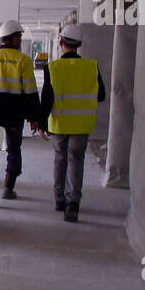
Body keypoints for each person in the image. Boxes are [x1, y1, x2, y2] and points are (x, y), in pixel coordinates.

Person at [39, 23, 106, 222]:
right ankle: (73, 204)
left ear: (60, 42)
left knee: (60, 159)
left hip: (59, 124)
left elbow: (47, 99)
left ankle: (59, 199)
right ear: (79, 44)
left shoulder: (52, 68)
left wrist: (42, 123)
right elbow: (100, 95)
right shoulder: (91, 67)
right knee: (76, 161)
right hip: (82, 124)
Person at [0, 20, 42, 207]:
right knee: (13, 149)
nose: (20, 39)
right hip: (13, 114)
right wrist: (34, 117)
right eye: (18, 36)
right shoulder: (23, 60)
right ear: (11, 38)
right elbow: (30, 91)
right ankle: (8, 189)